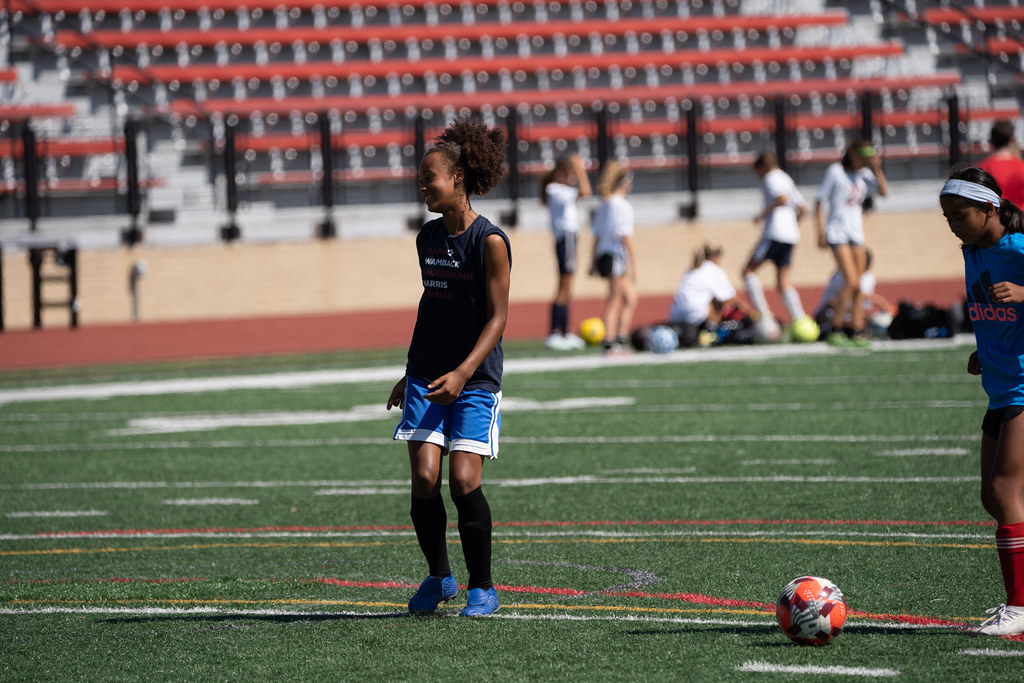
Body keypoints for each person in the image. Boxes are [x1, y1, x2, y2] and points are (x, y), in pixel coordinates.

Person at [385, 116, 511, 618]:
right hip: (426, 373)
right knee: (422, 477)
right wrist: (409, 370)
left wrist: (462, 373)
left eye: (428, 178)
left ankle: (483, 587)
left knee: (462, 479)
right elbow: (430, 308)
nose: (421, 187)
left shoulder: (491, 241)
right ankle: (440, 578)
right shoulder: (427, 238)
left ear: (457, 179)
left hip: (474, 379)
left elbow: (498, 318)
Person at [939, 166, 1024, 636]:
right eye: (948, 216)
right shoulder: (973, 251)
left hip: (1023, 386)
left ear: (990, 207)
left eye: (960, 214)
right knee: (992, 498)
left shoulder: (1019, 248)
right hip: (1000, 383)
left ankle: (1020, 609)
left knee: (1002, 492)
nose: (954, 223)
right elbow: (996, 314)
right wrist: (983, 350)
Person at [814, 138, 888, 347]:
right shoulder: (836, 171)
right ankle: (835, 328)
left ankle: (856, 330)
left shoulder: (864, 175)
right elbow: (819, 201)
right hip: (837, 233)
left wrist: (877, 169)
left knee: (859, 284)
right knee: (851, 282)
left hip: (856, 234)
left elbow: (883, 192)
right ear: (854, 155)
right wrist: (820, 231)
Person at [742, 152, 809, 325]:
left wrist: (762, 215)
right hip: (790, 235)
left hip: (774, 232)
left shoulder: (770, 178)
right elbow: (803, 208)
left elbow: (781, 198)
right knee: (783, 281)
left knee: (748, 271)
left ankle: (764, 317)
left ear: (762, 167)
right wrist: (793, 224)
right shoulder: (786, 178)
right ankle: (800, 319)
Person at [540, 154, 592, 351]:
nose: (573, 178)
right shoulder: (554, 189)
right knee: (565, 285)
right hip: (566, 238)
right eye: (570, 174)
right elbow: (586, 192)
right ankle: (556, 332)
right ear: (561, 174)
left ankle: (564, 331)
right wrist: (580, 168)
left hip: (569, 238)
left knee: (567, 286)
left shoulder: (559, 190)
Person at [590, 160, 638, 355]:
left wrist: (593, 261)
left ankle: (619, 337)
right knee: (615, 299)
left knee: (629, 298)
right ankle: (610, 341)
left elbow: (597, 235)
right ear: (624, 182)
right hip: (615, 255)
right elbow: (624, 235)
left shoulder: (606, 204)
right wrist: (634, 265)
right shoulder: (621, 205)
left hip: (605, 255)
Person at [669, 241, 756, 344]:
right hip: (696, 313)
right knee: (717, 302)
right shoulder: (714, 269)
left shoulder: (691, 269)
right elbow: (730, 298)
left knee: (709, 297)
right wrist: (751, 314)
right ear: (715, 255)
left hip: (675, 314)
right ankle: (711, 332)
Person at [813, 248, 893, 331]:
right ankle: (836, 329)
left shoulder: (868, 277)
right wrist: (874, 300)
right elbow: (833, 302)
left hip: (849, 314)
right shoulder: (841, 277)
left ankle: (855, 328)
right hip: (828, 314)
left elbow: (864, 306)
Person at [978, 119, 1024, 210]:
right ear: (1012, 140)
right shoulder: (1021, 167)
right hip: (1017, 220)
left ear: (991, 141)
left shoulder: (981, 169)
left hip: (992, 220)